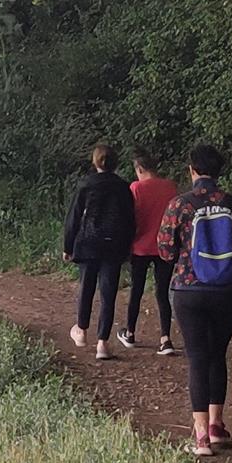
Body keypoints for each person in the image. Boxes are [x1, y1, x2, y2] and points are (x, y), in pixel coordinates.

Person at [160, 143, 232, 455]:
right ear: (219, 171)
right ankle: (216, 425)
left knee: (198, 357)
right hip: (227, 292)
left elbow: (165, 251)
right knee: (217, 353)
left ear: (192, 170)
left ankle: (200, 436)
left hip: (188, 291)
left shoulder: (180, 205)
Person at [60, 143, 136, 360]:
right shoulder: (124, 187)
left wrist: (68, 246)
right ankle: (102, 343)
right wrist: (127, 246)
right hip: (113, 245)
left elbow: (74, 217)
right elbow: (130, 220)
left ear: (95, 162)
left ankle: (81, 330)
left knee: (86, 287)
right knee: (108, 293)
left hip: (88, 242)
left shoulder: (86, 184)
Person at [119, 151, 180, 353]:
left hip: (140, 246)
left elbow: (130, 218)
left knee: (136, 290)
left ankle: (130, 332)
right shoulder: (170, 187)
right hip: (164, 246)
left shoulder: (135, 188)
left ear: (140, 169)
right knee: (162, 292)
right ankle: (165, 338)